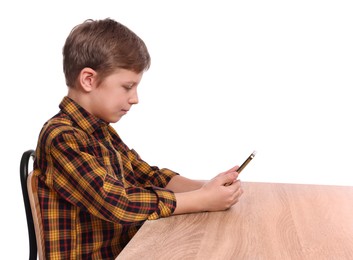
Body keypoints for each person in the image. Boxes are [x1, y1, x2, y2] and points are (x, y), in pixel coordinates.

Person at [33, 18, 243, 259]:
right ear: (88, 80)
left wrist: (207, 189)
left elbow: (147, 175)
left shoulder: (101, 131)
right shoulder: (61, 137)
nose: (135, 98)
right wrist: (202, 200)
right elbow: (117, 203)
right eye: (127, 86)